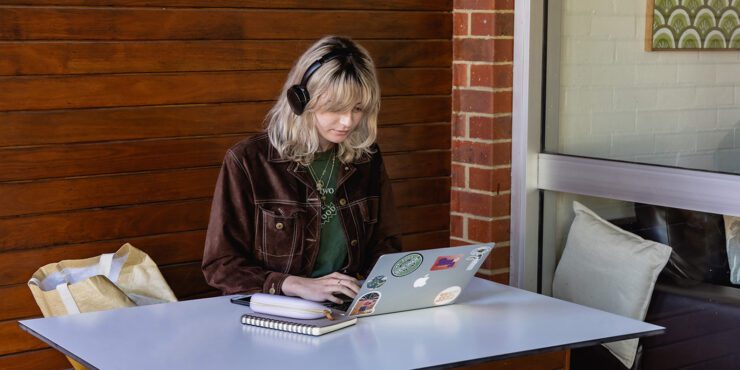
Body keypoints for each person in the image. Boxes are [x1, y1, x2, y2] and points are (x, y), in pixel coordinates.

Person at [202, 36, 402, 304]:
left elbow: (386, 245)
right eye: (335, 108)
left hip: (349, 306)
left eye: (357, 109)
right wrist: (293, 284)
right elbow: (221, 265)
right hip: (279, 311)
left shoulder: (367, 159)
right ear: (300, 99)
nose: (348, 121)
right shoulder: (248, 161)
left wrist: (370, 285)